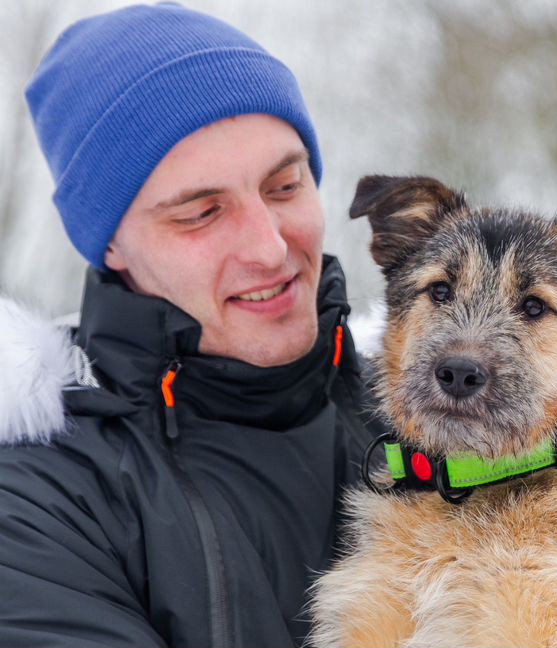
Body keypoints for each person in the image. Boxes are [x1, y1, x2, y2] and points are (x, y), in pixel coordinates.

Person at [0, 4, 385, 647]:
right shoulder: (37, 503)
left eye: (285, 185)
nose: (269, 247)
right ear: (113, 247)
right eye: (203, 213)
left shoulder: (439, 421)